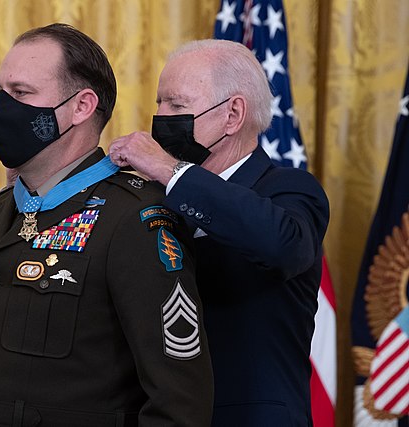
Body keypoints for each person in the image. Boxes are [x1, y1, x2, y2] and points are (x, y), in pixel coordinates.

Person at [0, 24, 213, 427]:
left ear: (82, 106)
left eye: (21, 93)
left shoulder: (134, 217)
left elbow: (179, 400)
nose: (3, 107)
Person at [109, 39, 330, 427]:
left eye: (176, 105)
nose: (160, 118)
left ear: (232, 115)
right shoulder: (150, 199)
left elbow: (284, 245)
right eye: (159, 103)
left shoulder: (288, 189)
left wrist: (171, 171)